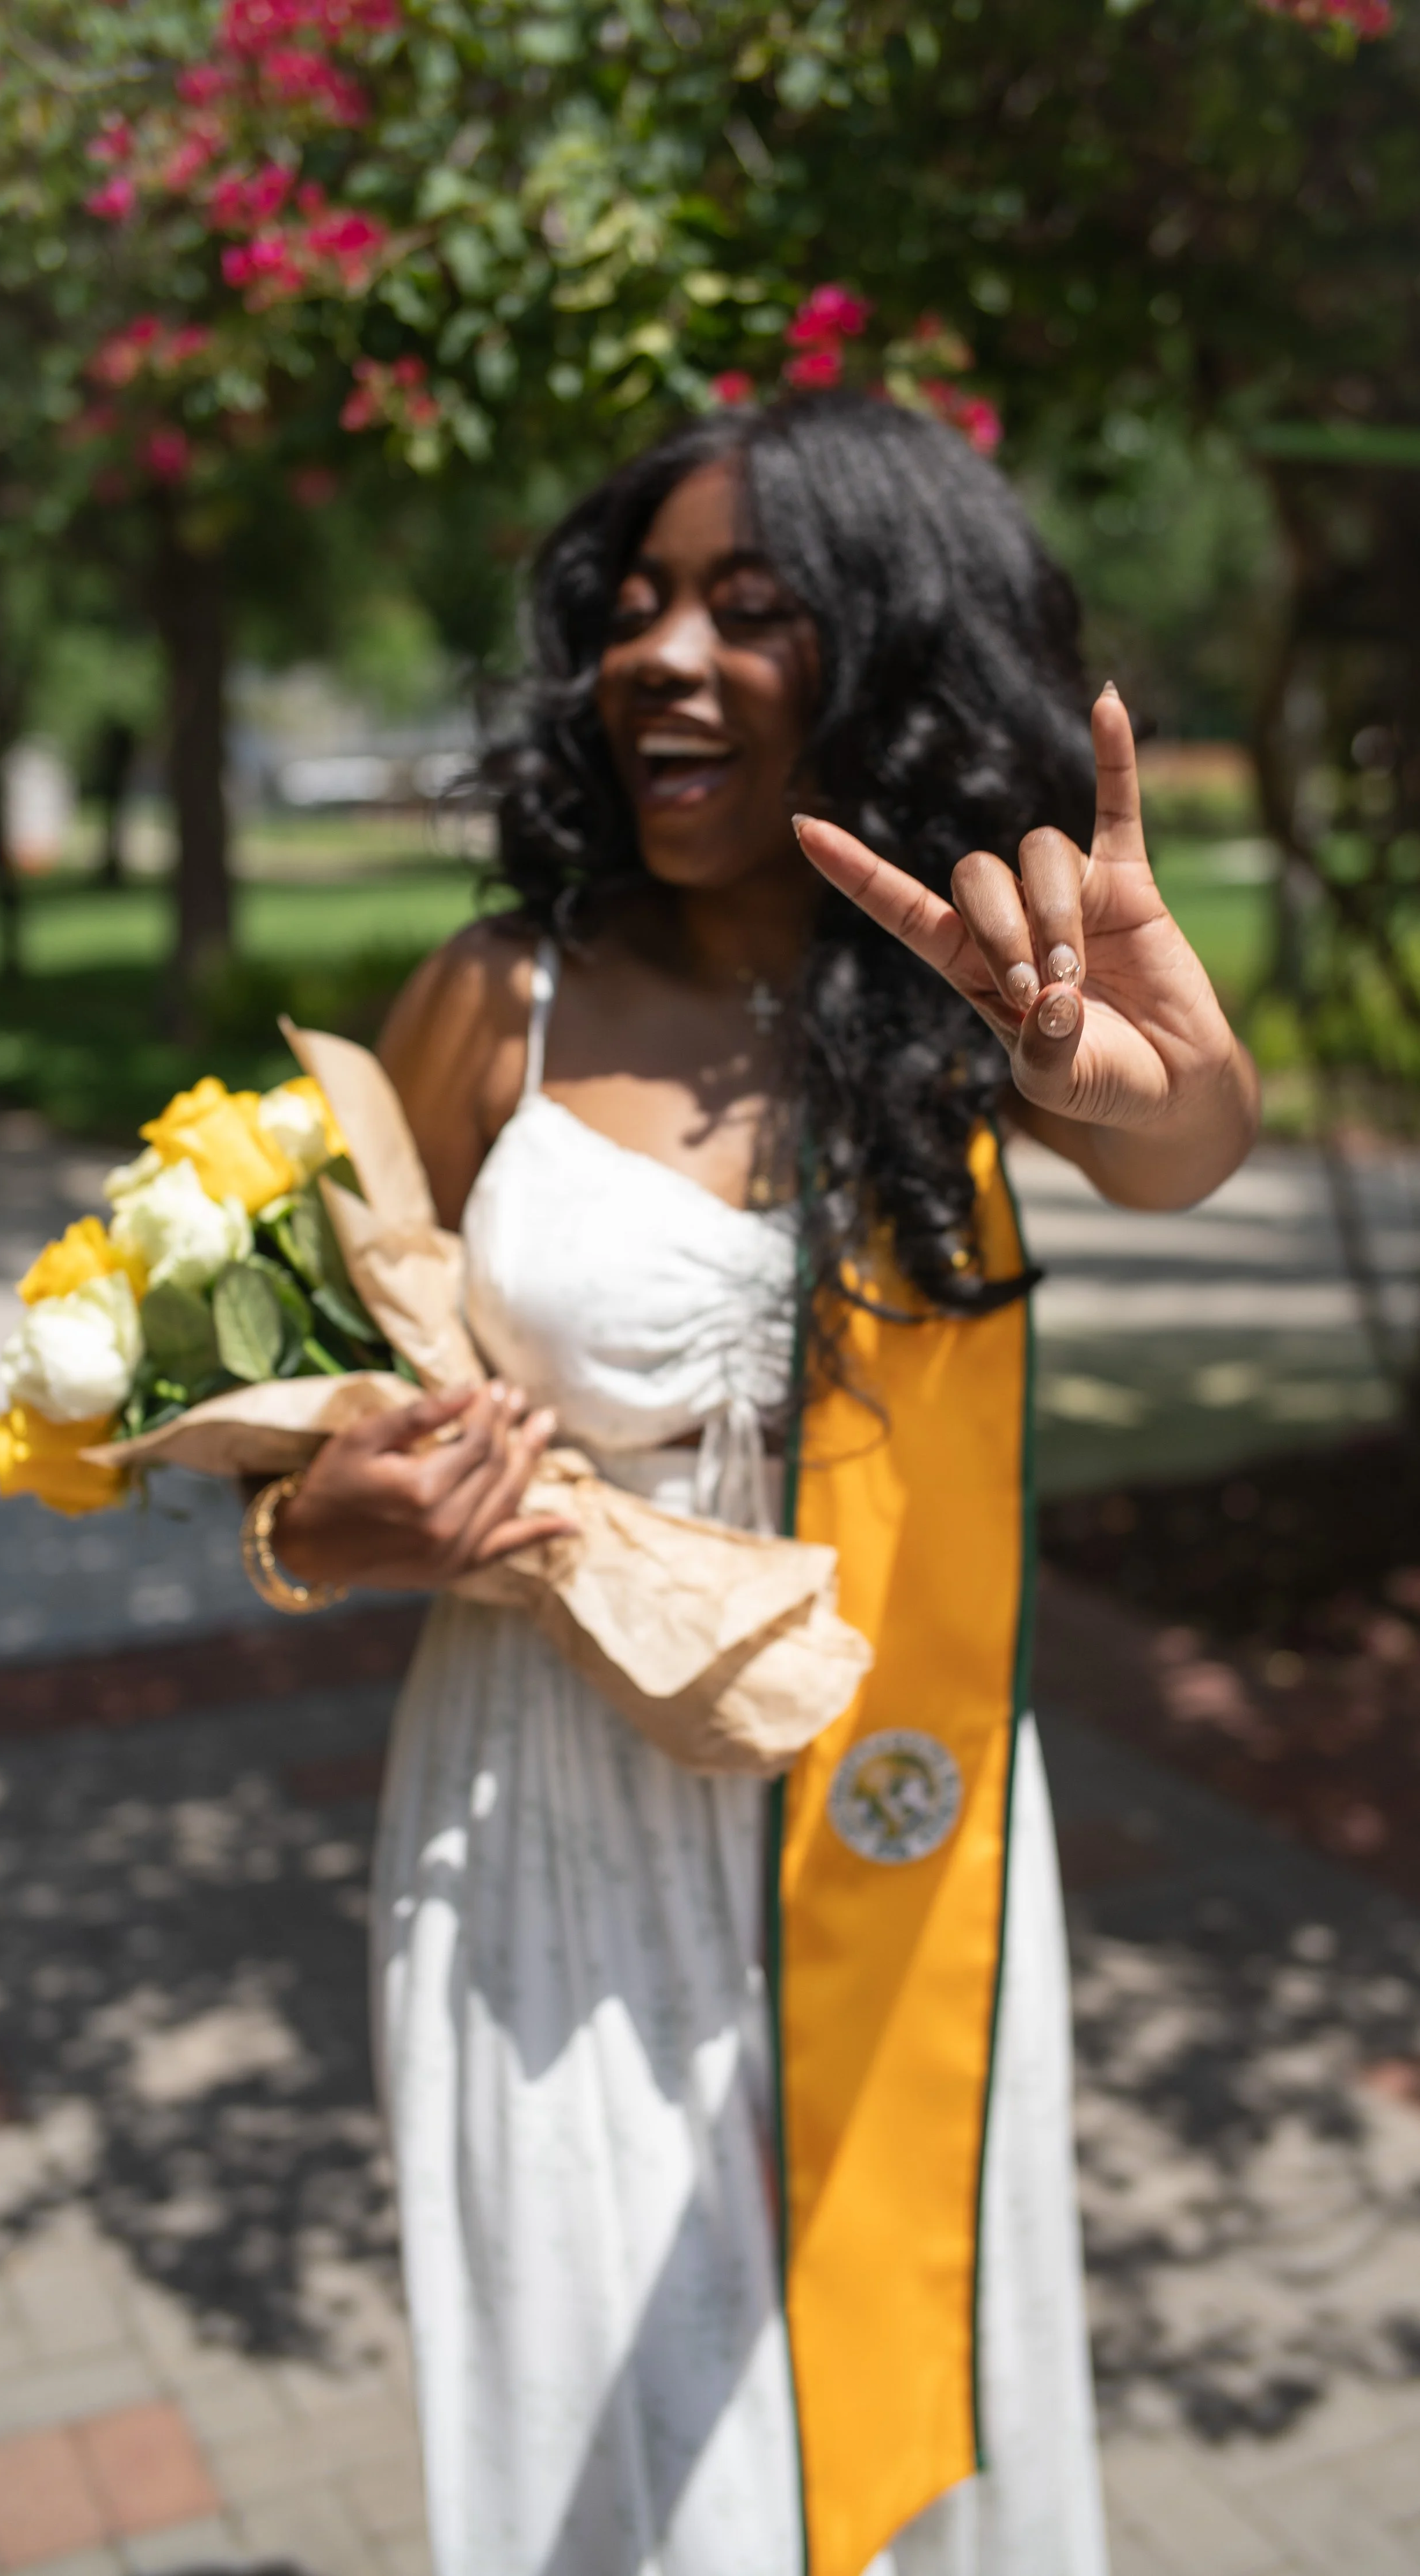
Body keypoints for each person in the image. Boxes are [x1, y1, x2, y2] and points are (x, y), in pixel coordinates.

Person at [270, 391, 1257, 2576]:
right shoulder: (494, 1006)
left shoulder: (960, 1007)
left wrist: (1161, 1081)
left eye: (749, 607)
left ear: (884, 657)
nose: (664, 659)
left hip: (892, 1817)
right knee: (604, 2444)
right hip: (552, 1839)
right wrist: (321, 1527)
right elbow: (317, 1422)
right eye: (632, 614)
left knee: (905, 2381)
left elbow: (1178, 1150)